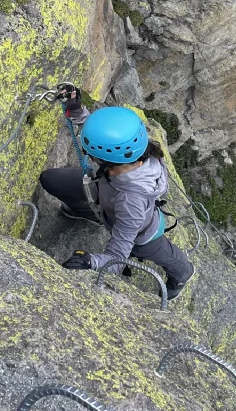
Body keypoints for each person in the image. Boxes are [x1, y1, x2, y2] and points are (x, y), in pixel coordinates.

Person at [39, 90, 195, 300]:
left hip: (140, 233)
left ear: (103, 159)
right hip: (106, 189)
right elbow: (104, 136)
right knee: (51, 179)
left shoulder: (131, 202)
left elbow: (117, 259)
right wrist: (76, 110)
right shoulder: (136, 150)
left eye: (90, 152)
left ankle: (183, 274)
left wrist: (90, 261)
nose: (88, 153)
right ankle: (84, 211)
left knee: (164, 255)